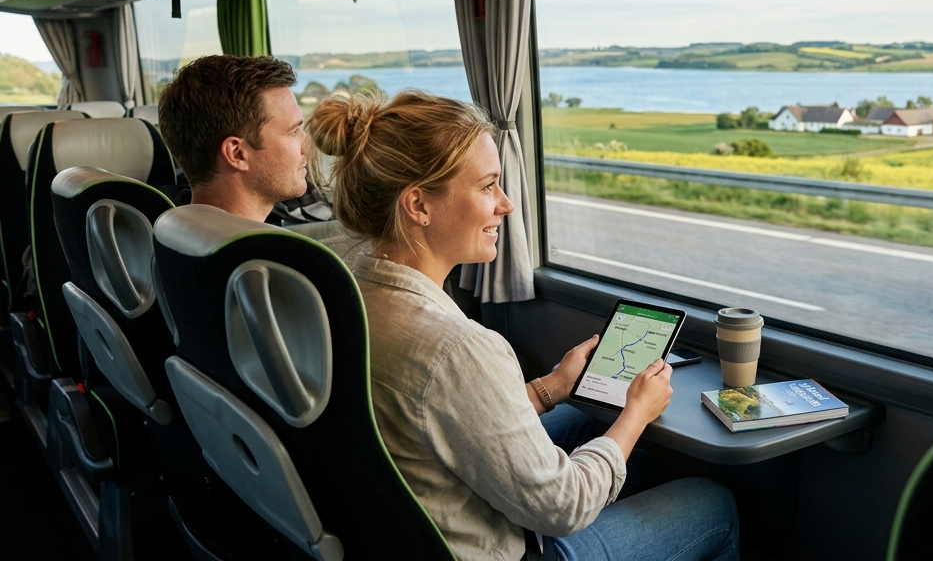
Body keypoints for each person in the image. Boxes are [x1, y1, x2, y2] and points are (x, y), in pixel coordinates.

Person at [305, 90, 739, 561]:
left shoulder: (340, 295)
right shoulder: (457, 348)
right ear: (418, 205)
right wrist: (636, 413)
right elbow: (563, 508)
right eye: (487, 185)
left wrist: (551, 387)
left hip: (406, 530)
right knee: (712, 502)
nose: (506, 204)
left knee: (636, 458)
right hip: (498, 549)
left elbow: (446, 418)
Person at [157, 55, 307, 221]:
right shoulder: (261, 247)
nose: (305, 148)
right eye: (293, 132)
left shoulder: (176, 233)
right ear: (237, 153)